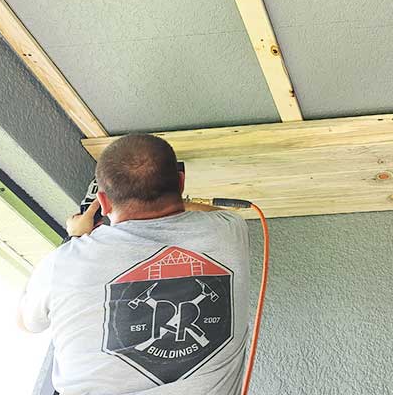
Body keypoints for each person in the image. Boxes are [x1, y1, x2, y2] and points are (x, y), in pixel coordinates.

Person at [18, 134, 250, 394]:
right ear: (181, 183)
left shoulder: (63, 263)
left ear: (103, 203)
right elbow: (219, 214)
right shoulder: (230, 232)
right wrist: (162, 194)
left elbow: (27, 322)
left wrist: (75, 239)